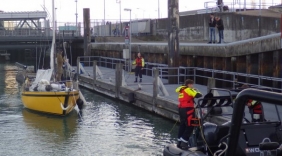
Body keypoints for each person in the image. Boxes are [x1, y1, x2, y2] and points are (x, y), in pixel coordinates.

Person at [175, 79, 202, 150]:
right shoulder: (188, 90)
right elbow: (198, 95)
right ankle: (184, 142)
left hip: (181, 109)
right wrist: (196, 90)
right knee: (190, 125)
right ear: (189, 84)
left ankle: (179, 142)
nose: (192, 86)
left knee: (183, 125)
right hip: (188, 110)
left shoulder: (181, 90)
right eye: (192, 84)